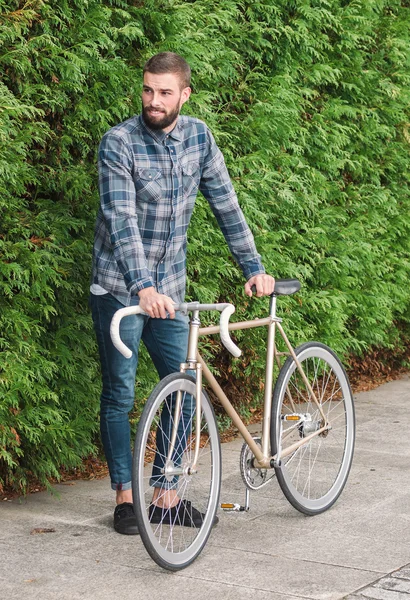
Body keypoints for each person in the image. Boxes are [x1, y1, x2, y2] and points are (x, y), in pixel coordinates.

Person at [90, 52, 275, 535]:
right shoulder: (119, 143)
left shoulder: (198, 137)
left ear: (184, 94)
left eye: (165, 92)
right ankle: (126, 499)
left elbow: (226, 204)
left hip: (169, 291)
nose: (154, 101)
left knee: (184, 385)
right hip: (119, 290)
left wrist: (253, 267)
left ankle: (166, 496)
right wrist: (141, 286)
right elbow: (122, 221)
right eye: (148, 90)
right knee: (121, 393)